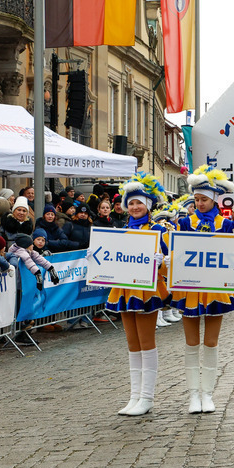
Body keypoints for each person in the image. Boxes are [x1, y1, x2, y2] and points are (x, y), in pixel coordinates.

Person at [172, 166, 234, 414]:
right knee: (191, 343)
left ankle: (207, 394)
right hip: (190, 290)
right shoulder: (185, 223)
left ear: (214, 199)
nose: (199, 203)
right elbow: (177, 251)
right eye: (196, 199)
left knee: (210, 342)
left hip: (215, 290)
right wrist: (169, 259)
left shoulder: (226, 224)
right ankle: (193, 395)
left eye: (204, 199)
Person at [105, 174, 170, 416]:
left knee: (146, 342)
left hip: (147, 291)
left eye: (139, 203)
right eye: (130, 203)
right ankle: (134, 396)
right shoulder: (122, 230)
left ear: (148, 205)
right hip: (124, 289)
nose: (134, 207)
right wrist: (97, 259)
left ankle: (147, 397)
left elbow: (169, 265)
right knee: (132, 344)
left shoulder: (159, 230)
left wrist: (161, 261)